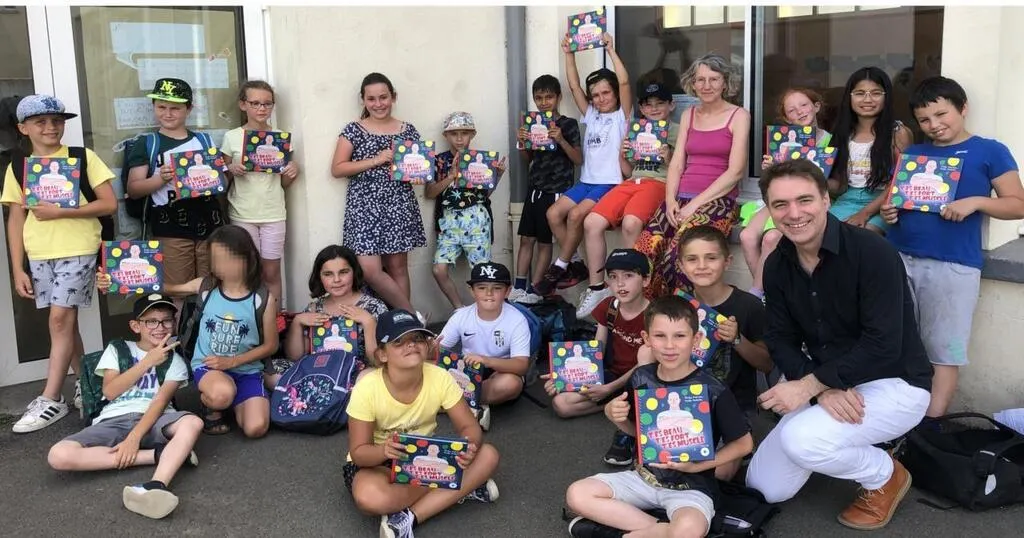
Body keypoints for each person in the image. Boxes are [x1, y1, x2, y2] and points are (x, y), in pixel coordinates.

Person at [747, 159, 933, 530]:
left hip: (894, 382)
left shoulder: (872, 252)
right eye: (780, 204)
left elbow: (883, 344)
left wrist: (813, 385)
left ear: (826, 201)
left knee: (802, 441)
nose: (794, 213)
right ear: (769, 209)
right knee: (764, 488)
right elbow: (780, 338)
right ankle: (840, 441)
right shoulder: (778, 265)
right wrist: (819, 391)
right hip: (829, 380)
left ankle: (884, 474)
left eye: (805, 200)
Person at [882, 76, 1024, 419]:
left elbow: (1018, 204)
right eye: (925, 120)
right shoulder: (915, 153)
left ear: (963, 108)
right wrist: (890, 211)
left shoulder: (990, 150)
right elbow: (896, 202)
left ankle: (931, 423)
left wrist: (975, 202)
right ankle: (899, 419)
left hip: (953, 265)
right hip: (899, 256)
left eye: (941, 114)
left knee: (944, 348)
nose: (934, 125)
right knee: (897, 342)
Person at [564, 295, 754, 538]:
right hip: (643, 478)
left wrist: (698, 466)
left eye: (680, 336)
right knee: (577, 493)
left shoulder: (713, 389)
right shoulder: (641, 378)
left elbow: (744, 443)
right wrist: (616, 416)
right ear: (646, 339)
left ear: (696, 340)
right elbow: (639, 433)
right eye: (660, 336)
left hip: (692, 488)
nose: (669, 345)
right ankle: (656, 529)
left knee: (688, 530)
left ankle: (620, 531)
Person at [2, 94, 117, 433]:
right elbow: (15, 217)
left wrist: (62, 211)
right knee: (66, 324)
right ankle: (87, 383)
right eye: (41, 122)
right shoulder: (19, 167)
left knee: (59, 319)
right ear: (23, 129)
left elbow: (109, 203)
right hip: (40, 253)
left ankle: (51, 398)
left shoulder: (83, 158)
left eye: (57, 120)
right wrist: (17, 267)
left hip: (79, 248)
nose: (51, 127)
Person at [46, 294, 203, 519]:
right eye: (151, 321)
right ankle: (155, 455)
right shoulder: (118, 349)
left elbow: (159, 402)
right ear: (136, 325)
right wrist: (148, 362)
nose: (160, 327)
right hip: (114, 418)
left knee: (193, 422)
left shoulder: (175, 360)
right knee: (58, 455)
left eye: (166, 321)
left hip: (154, 419)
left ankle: (156, 484)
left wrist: (134, 438)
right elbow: (110, 391)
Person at [346, 309, 500, 538]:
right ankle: (460, 487)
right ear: (382, 355)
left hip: (427, 457)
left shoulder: (440, 377)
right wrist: (384, 450)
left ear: (427, 345)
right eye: (399, 342)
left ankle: (409, 517)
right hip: (379, 462)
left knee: (488, 454)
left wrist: (467, 446)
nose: (411, 345)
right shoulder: (366, 389)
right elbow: (359, 453)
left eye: (417, 338)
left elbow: (470, 428)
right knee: (369, 498)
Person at [634, 54, 750, 299]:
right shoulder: (689, 114)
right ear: (692, 84)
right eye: (700, 80)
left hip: (717, 202)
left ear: (725, 83)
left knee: (677, 258)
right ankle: (654, 316)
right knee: (644, 251)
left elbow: (736, 171)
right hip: (681, 199)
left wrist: (694, 206)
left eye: (714, 79)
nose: (706, 85)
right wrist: (670, 202)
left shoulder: (739, 115)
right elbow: (676, 164)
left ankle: (681, 317)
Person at [154, 224, 278, 437]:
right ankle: (213, 404)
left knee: (255, 428)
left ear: (246, 257)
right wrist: (116, 279)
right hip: (208, 366)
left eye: (227, 258)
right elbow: (166, 287)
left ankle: (238, 398)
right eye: (215, 258)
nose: (220, 265)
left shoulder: (262, 298)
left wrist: (233, 362)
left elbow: (271, 345)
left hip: (247, 370)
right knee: (222, 394)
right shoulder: (206, 286)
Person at [534, 32, 632, 296]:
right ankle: (575, 263)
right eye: (595, 95)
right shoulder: (591, 114)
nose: (600, 99)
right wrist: (568, 54)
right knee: (554, 214)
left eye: (605, 93)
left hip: (609, 181)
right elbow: (575, 86)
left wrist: (611, 49)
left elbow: (623, 81)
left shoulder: (622, 116)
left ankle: (560, 265)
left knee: (577, 215)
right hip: (587, 181)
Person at [677, 225, 772, 480]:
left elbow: (767, 364)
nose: (702, 266)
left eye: (711, 257)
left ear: (727, 261)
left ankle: (741, 447)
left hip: (734, 404)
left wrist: (737, 339)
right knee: (670, 467)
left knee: (718, 475)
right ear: (681, 265)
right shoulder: (678, 306)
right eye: (692, 259)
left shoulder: (748, 306)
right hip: (687, 401)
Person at [542, 248, 653, 467]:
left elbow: (647, 365)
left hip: (643, 381)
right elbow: (597, 350)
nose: (620, 284)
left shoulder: (655, 315)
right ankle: (615, 406)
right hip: (612, 376)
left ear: (646, 280)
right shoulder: (609, 307)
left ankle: (626, 427)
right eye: (613, 277)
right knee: (561, 404)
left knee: (647, 359)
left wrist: (609, 389)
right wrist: (566, 376)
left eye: (628, 276)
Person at [577, 82, 679, 318]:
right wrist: (623, 154)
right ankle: (597, 287)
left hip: (658, 183)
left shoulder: (677, 130)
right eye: (648, 105)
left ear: (671, 105)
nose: (653, 109)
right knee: (591, 222)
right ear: (641, 108)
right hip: (632, 181)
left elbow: (683, 168)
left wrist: (669, 156)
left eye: (660, 103)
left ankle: (632, 287)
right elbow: (627, 169)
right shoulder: (636, 128)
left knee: (631, 223)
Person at [331, 72, 425, 317]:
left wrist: (419, 173)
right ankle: (411, 316)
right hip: (363, 207)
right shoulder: (353, 130)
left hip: (398, 203)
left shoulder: (408, 130)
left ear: (393, 97)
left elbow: (418, 168)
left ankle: (402, 327)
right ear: (363, 100)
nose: (378, 103)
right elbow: (338, 168)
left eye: (383, 97)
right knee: (370, 270)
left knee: (398, 268)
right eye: (371, 98)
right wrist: (376, 160)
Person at [126, 78, 226, 308]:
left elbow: (221, 182)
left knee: (212, 288)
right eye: (161, 107)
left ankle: (205, 339)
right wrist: (160, 178)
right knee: (177, 290)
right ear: (153, 107)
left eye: (175, 108)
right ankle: (179, 341)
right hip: (170, 225)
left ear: (189, 109)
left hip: (208, 222)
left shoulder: (204, 140)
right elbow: (134, 188)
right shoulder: (148, 143)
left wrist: (222, 174)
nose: (168, 113)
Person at [740, 87, 832, 299]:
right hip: (779, 199)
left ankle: (756, 295)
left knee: (771, 238)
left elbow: (835, 184)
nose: (799, 112)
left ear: (816, 106)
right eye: (791, 110)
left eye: (804, 105)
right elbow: (770, 183)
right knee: (746, 236)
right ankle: (768, 295)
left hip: (806, 202)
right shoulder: (781, 141)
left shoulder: (829, 140)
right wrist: (771, 168)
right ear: (786, 118)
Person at [222, 80, 299, 306]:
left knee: (272, 271)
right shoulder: (232, 137)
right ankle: (251, 320)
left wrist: (292, 171)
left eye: (267, 104)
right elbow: (221, 180)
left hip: (274, 213)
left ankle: (275, 322)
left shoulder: (280, 138)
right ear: (243, 105)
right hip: (242, 213)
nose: (261, 108)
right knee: (247, 271)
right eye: (255, 103)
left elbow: (283, 182)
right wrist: (230, 169)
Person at [509, 75, 582, 305]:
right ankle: (519, 285)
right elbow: (528, 158)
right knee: (526, 240)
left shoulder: (568, 124)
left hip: (558, 191)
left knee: (544, 242)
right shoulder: (533, 124)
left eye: (548, 96)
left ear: (558, 97)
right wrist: (522, 142)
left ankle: (536, 287)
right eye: (538, 98)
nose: (543, 102)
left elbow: (578, 159)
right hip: (535, 188)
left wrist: (560, 139)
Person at [436, 262, 531, 431]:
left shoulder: (517, 319)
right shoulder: (461, 316)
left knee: (511, 384)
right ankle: (472, 407)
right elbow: (439, 351)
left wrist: (487, 360)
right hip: (465, 371)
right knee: (421, 365)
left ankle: (448, 405)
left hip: (499, 370)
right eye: (481, 288)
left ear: (508, 291)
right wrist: (429, 348)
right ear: (471, 291)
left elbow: (521, 366)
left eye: (497, 288)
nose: (489, 293)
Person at [426, 111, 507, 309]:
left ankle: (484, 312)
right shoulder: (439, 161)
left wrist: (497, 176)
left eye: (465, 133)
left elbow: (484, 196)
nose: (460, 138)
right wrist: (450, 177)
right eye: (454, 133)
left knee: (482, 272)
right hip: (449, 222)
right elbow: (430, 193)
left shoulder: (480, 160)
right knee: (439, 270)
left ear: (473, 134)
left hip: (477, 220)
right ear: (446, 135)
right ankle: (460, 309)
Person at [277, 244, 387, 386]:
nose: (336, 280)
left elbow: (377, 361)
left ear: (354, 272)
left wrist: (369, 323)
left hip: (357, 376)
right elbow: (295, 357)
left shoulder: (374, 307)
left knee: (371, 377)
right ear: (319, 277)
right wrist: (297, 322)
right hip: (319, 374)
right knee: (273, 370)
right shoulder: (314, 308)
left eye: (343, 272)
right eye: (328, 274)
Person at [828, 67, 913, 233]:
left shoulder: (898, 133)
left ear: (886, 97)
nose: (867, 99)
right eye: (859, 93)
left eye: (876, 93)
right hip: (847, 199)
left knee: (863, 237)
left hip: (883, 202)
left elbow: (900, 182)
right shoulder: (842, 132)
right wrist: (815, 176)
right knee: (823, 233)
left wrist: (864, 213)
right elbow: (839, 186)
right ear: (849, 97)